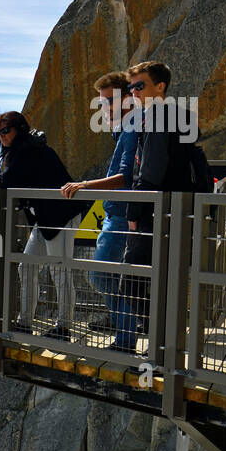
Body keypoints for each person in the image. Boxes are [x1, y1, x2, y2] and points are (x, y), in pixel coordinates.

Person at [111, 60, 208, 354]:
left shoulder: (157, 117)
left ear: (160, 86)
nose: (134, 92)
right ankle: (166, 344)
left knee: (131, 282)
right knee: (165, 280)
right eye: (131, 87)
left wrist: (133, 214)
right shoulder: (178, 115)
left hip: (154, 213)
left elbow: (150, 172)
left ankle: (160, 344)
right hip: (177, 211)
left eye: (140, 86)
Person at [0, 111, 87, 340]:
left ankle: (63, 327)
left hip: (61, 216)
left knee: (59, 270)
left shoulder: (27, 151)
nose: (2, 137)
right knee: (28, 266)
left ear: (19, 129)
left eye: (6, 130)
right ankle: (25, 322)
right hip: (46, 219)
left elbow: (5, 182)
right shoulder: (26, 149)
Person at [61, 71, 139, 332]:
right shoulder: (126, 129)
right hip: (119, 212)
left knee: (99, 275)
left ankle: (127, 330)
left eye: (108, 101)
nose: (104, 107)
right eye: (102, 102)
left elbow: (124, 177)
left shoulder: (131, 130)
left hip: (120, 214)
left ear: (127, 98)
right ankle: (124, 324)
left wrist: (84, 186)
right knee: (112, 275)